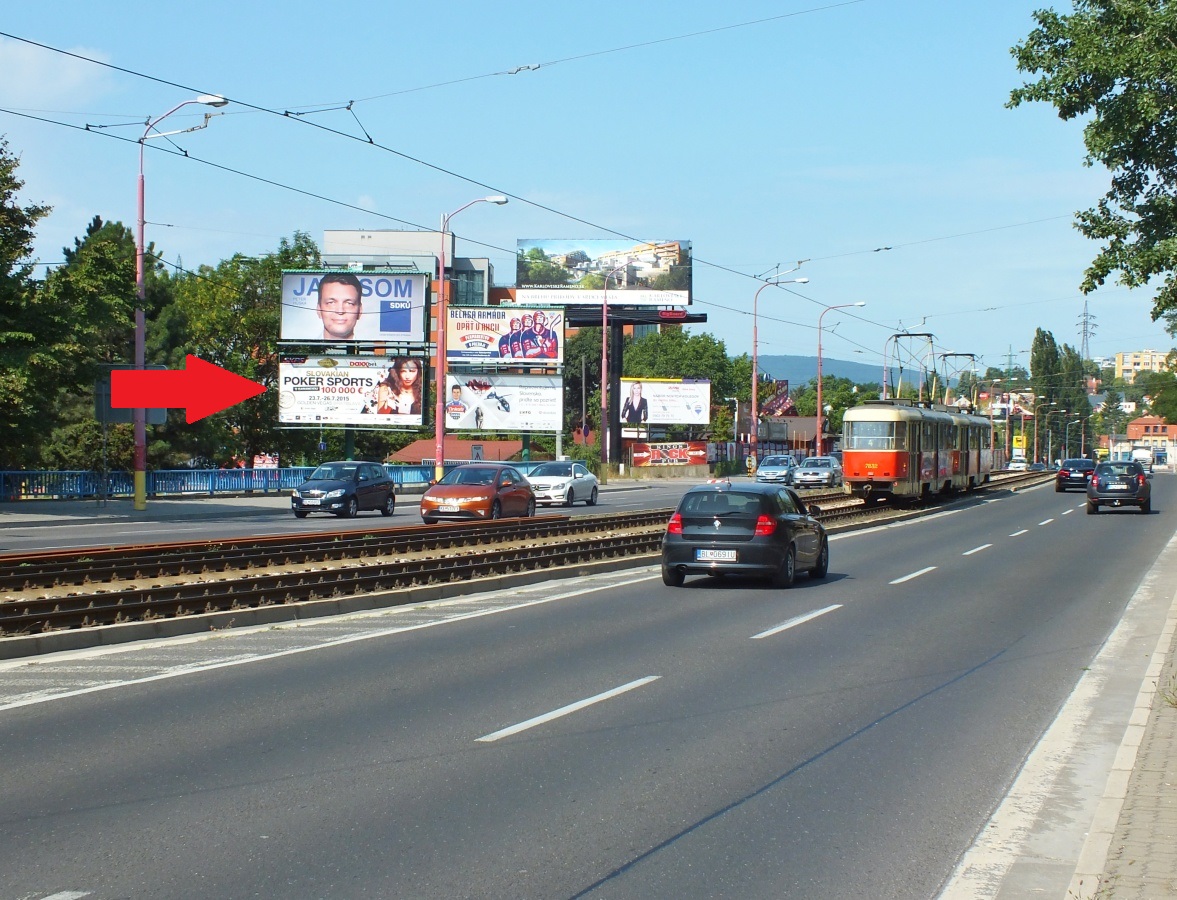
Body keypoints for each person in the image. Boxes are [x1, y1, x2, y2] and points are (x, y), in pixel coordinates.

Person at [315, 273, 363, 341]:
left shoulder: (368, 349)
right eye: (331, 303)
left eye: (349, 303)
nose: (340, 311)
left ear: (360, 311)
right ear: (319, 309)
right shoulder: (304, 350)